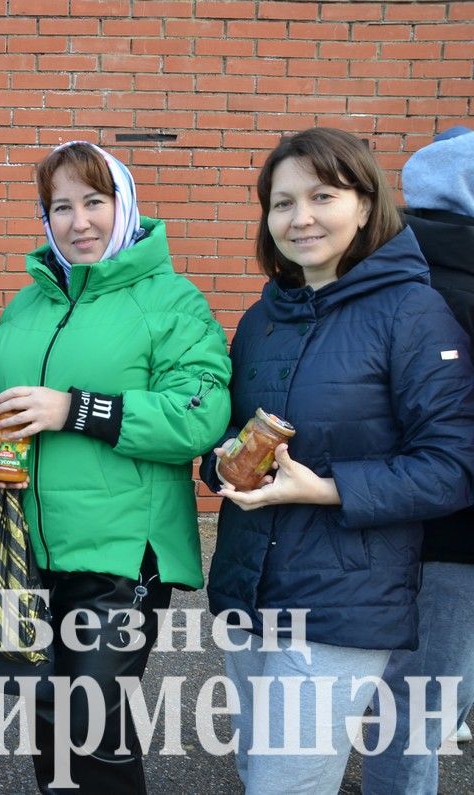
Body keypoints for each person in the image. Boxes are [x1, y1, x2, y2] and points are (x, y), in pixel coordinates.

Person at [202, 127, 474, 795]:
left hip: (345, 598)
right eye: (281, 201)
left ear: (366, 203)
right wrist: (225, 462)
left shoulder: (413, 311)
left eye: (322, 196)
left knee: (282, 782)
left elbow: (452, 465)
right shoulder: (264, 316)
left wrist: (322, 488)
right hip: (251, 588)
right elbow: (245, 434)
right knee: (258, 770)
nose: (300, 218)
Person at [0, 141, 231, 793]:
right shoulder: (30, 302)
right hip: (25, 548)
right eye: (61, 207)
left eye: (94, 202)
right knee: (45, 718)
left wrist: (75, 409)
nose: (78, 222)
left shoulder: (172, 300)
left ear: (124, 206)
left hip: (120, 554)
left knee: (93, 723)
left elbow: (199, 414)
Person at [361, 124, 474, 795]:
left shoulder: (378, 266)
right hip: (455, 527)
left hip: (377, 507)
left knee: (408, 692)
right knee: (423, 700)